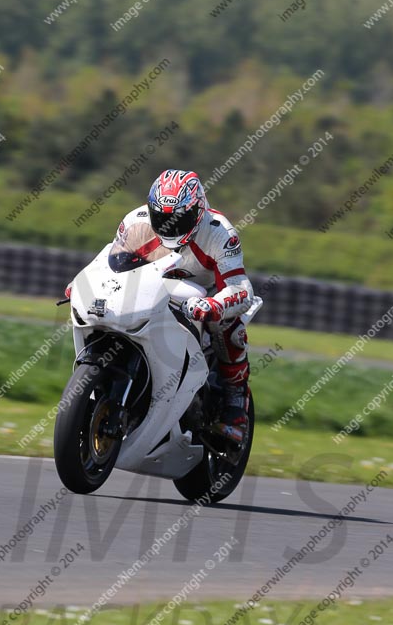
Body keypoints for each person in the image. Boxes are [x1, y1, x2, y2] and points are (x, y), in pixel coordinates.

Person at [66, 169, 254, 444]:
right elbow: (109, 261)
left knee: (228, 328)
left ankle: (235, 404)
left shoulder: (220, 232)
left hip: (202, 296)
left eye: (178, 218)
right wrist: (81, 284)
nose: (169, 226)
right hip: (151, 290)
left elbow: (241, 289)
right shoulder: (136, 221)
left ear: (197, 211)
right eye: (162, 217)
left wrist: (214, 304)